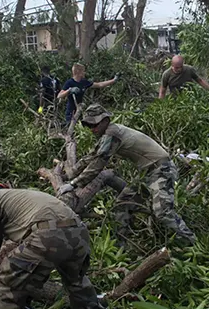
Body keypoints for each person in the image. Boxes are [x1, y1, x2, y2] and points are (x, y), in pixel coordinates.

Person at [0, 178, 110, 309]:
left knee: (7, 284)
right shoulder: (18, 196)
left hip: (48, 235)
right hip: (79, 232)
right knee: (76, 281)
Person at [58, 104, 196, 248]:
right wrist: (70, 173)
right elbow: (91, 156)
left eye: (95, 125)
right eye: (89, 126)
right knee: (122, 204)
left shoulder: (113, 134)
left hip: (161, 169)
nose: (93, 129)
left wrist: (74, 184)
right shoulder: (108, 134)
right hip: (146, 173)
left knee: (162, 212)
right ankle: (121, 247)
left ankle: (191, 243)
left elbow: (98, 165)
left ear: (105, 120)